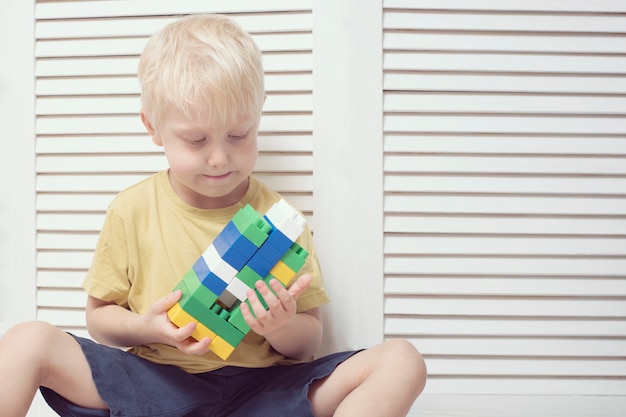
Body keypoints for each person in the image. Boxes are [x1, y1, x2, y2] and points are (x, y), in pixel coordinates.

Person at [0, 14, 426, 417]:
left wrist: (278, 327)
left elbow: (307, 342)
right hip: (156, 383)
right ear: (153, 129)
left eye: (238, 135)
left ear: (258, 119)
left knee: (401, 360)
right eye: (196, 139)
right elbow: (99, 320)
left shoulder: (281, 221)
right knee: (27, 341)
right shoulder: (132, 209)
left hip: (261, 391)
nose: (219, 157)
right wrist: (147, 327)